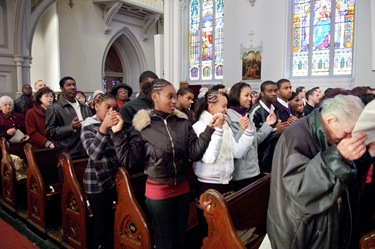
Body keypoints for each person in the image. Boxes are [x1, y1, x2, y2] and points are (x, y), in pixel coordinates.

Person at [113, 79, 216, 249]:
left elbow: (195, 153)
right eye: (169, 97)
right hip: (158, 191)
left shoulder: (182, 122)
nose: (174, 101)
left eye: (175, 96)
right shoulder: (143, 125)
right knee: (165, 241)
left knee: (181, 238)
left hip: (182, 187)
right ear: (155, 97)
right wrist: (117, 134)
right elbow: (129, 161)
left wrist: (209, 130)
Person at [266, 94, 370, 249]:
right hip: (301, 228)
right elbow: (301, 188)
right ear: (330, 120)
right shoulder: (295, 136)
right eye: (348, 132)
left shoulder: (323, 131)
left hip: (323, 222)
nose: (348, 138)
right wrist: (338, 155)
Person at [192, 89, 254, 200]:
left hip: (227, 182)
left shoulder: (225, 126)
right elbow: (209, 158)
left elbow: (237, 153)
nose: (227, 110)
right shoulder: (199, 127)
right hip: (209, 184)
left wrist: (248, 132)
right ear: (211, 107)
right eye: (224, 106)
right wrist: (218, 130)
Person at [81, 93, 121, 249]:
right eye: (107, 107)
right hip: (96, 181)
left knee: (114, 219)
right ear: (96, 106)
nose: (111, 111)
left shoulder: (116, 124)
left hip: (115, 178)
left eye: (114, 108)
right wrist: (104, 127)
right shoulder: (88, 127)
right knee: (101, 221)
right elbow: (94, 154)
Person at [226, 82, 276, 190]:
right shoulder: (228, 116)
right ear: (236, 95)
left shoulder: (246, 115)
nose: (250, 98)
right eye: (246, 95)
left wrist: (268, 124)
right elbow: (233, 148)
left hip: (254, 169)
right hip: (240, 173)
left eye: (251, 95)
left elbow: (255, 141)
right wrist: (241, 130)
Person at [45, 76, 92, 159]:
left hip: (87, 150)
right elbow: (50, 132)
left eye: (74, 85)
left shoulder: (85, 107)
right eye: (68, 85)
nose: (72, 87)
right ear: (62, 89)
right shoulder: (54, 108)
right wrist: (70, 127)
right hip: (69, 153)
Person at [251, 81, 288, 173]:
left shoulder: (275, 108)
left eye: (275, 91)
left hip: (274, 153)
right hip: (262, 157)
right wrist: (276, 132)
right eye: (270, 91)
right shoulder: (256, 111)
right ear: (262, 93)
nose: (273, 94)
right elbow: (255, 140)